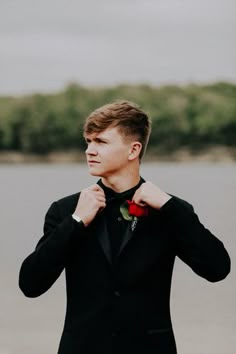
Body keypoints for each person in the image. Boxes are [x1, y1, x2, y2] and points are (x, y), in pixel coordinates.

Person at [19, 100, 231, 354]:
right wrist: (75, 223)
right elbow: (31, 284)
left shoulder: (169, 211)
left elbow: (217, 268)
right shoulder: (66, 210)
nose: (89, 150)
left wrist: (169, 205)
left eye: (101, 142)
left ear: (133, 150)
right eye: (88, 141)